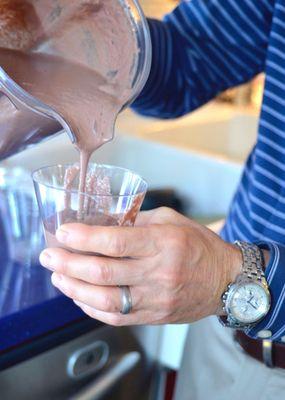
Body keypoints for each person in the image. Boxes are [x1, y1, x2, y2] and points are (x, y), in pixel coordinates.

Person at [39, 1, 285, 399]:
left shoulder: (220, 277)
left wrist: (232, 276)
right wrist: (70, 28)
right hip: (221, 329)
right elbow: (190, 54)